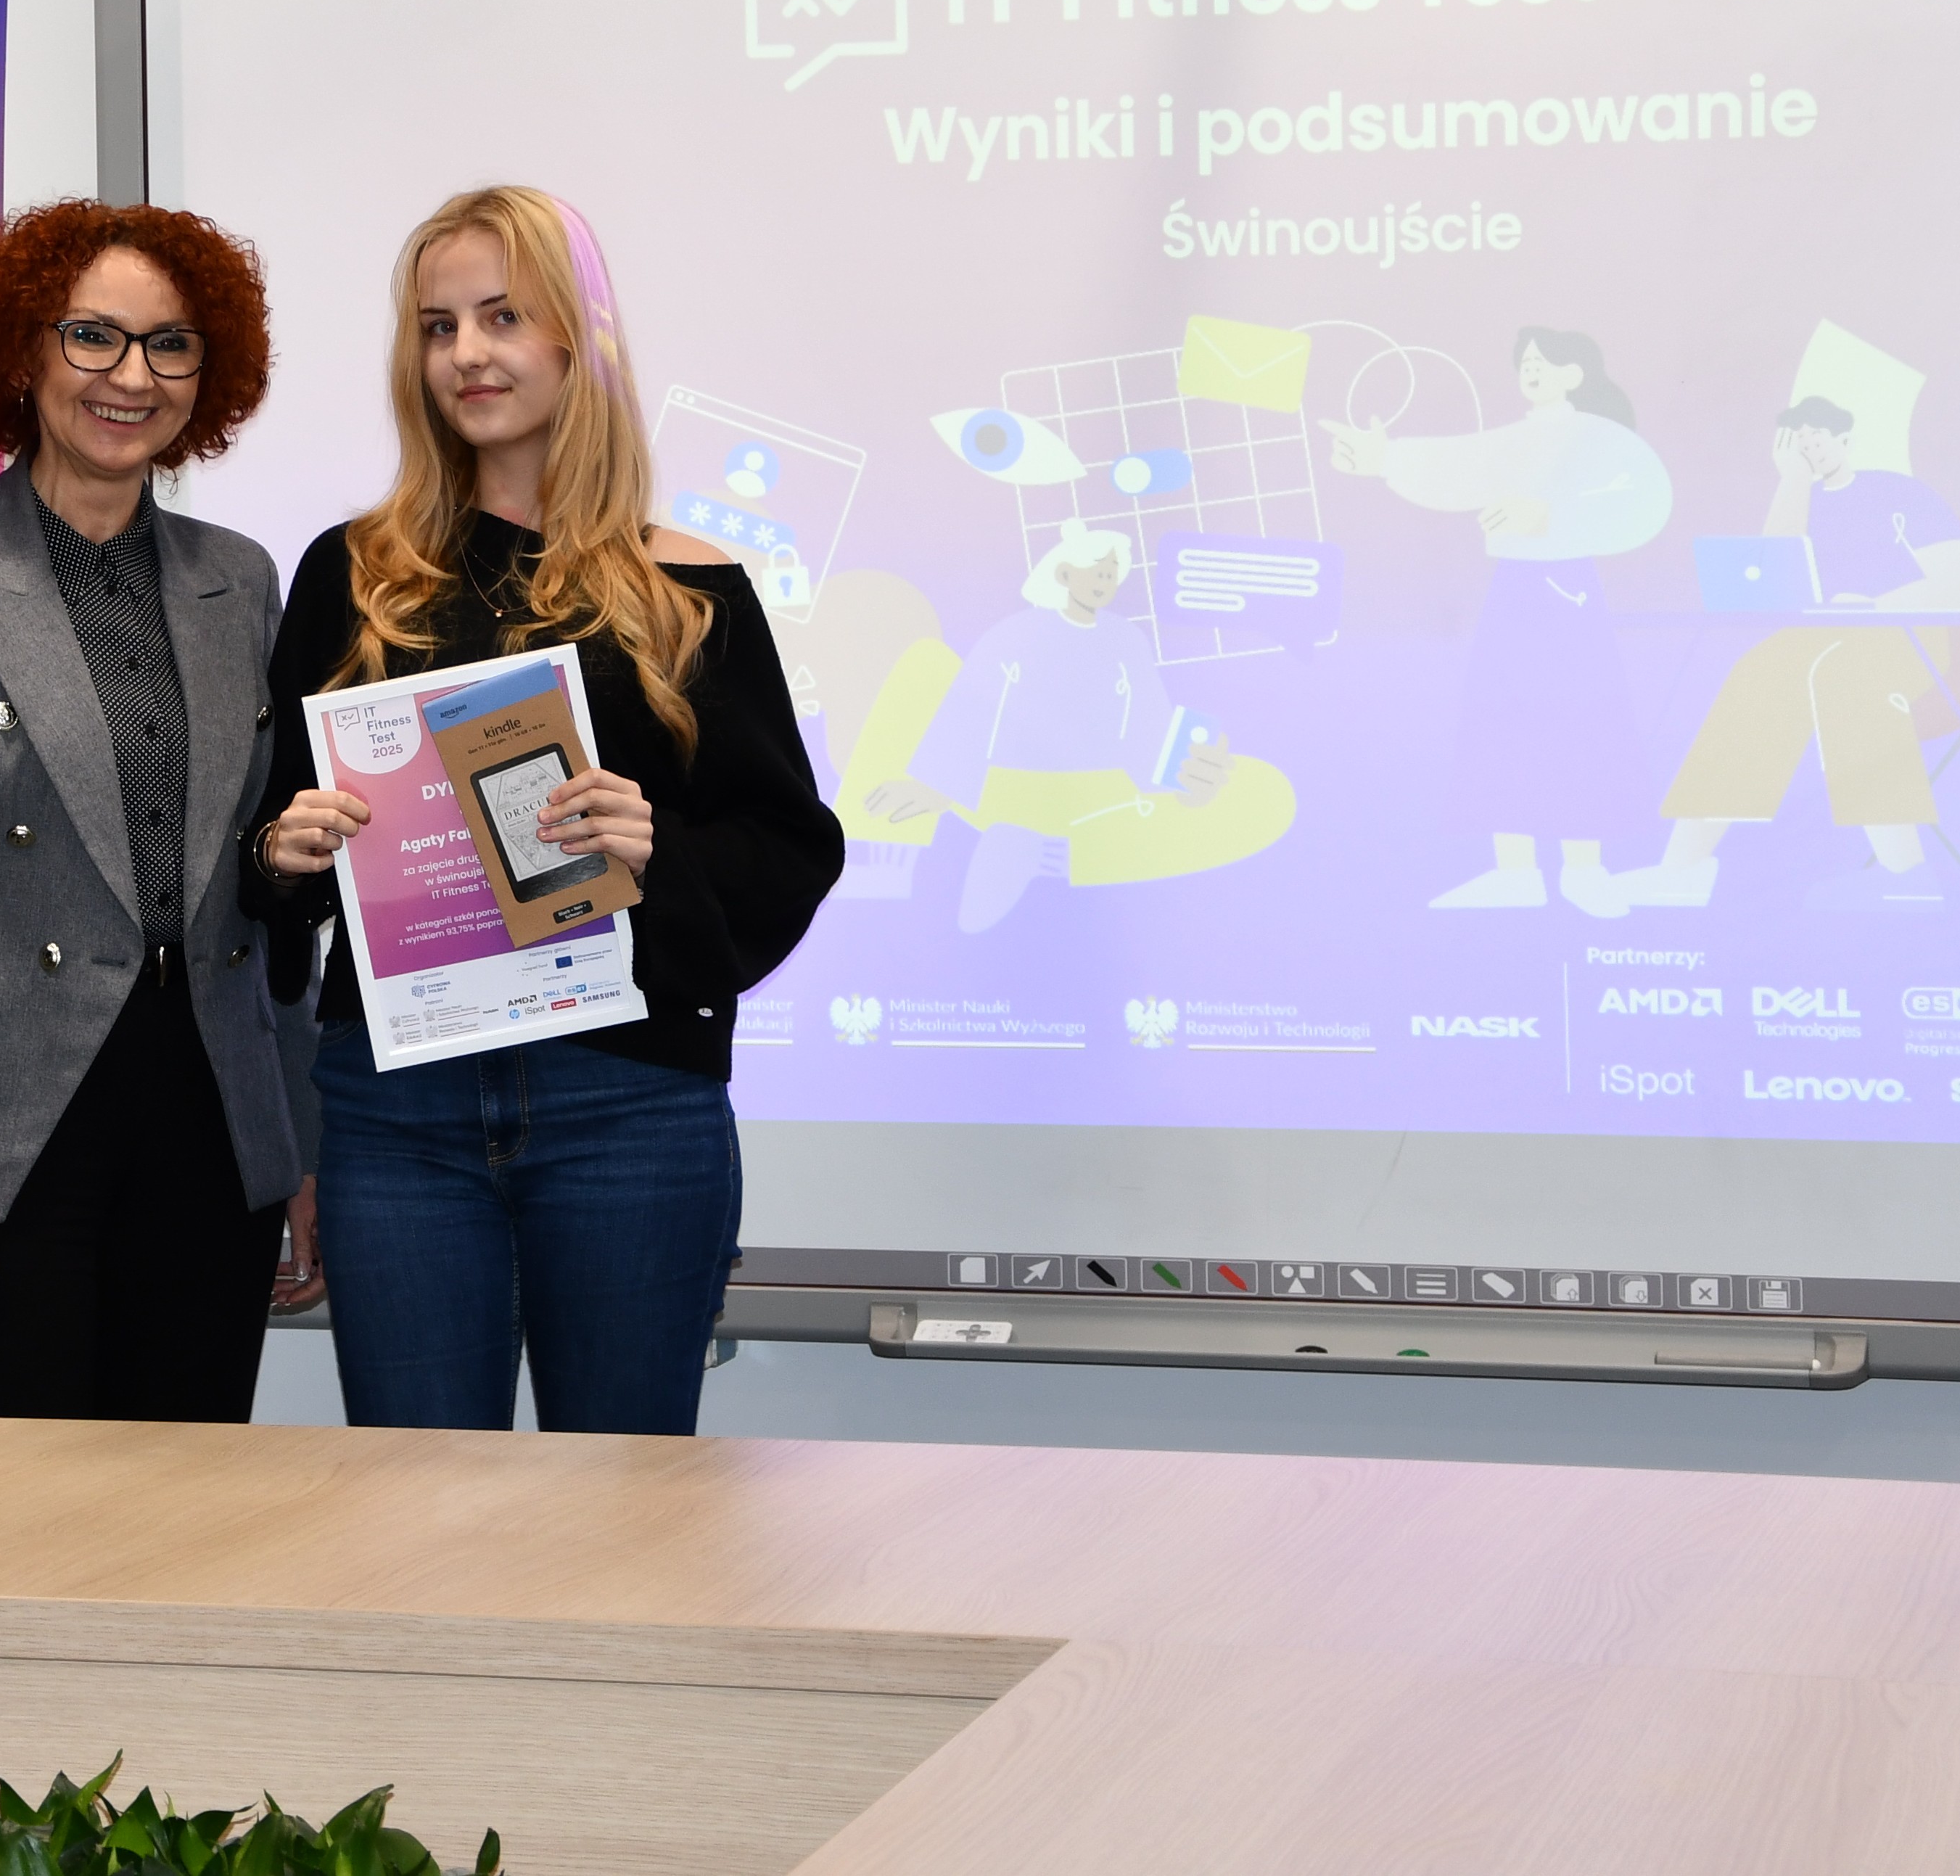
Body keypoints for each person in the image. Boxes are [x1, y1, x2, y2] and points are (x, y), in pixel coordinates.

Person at [244, 186, 841, 1436]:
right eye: (438, 325)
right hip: (395, 1109)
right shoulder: (349, 575)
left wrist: (651, 847)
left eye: (502, 316)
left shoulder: (688, 587)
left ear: (578, 336)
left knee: (624, 1513)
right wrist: (283, 854)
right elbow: (265, 854)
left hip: (627, 1101)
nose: (466, 353)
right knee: (419, 1511)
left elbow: (787, 848)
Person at [0, 201, 317, 1420]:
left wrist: (296, 1143)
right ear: (22, 351)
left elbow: (257, 877)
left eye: (170, 344)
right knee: (3, 1513)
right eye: (92, 335)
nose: (130, 377)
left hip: (210, 1123)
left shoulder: (240, 576)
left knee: (184, 1505)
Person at [1322, 327, 1670, 916]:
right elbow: (1460, 466)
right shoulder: (1517, 438)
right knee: (1503, 721)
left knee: (1577, 723)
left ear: (1573, 373)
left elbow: (1642, 503)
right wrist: (1384, 459)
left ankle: (1584, 870)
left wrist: (1550, 516)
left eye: (1543, 361)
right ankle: (1516, 872)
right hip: (1514, 589)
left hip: (1568, 592)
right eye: (1524, 361)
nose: (1530, 368)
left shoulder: (1600, 438)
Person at [844, 519, 1294, 931]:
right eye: (1096, 569)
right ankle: (920, 860)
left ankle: (1044, 853)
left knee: (1265, 792)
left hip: (1103, 801)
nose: (1105, 579)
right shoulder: (1014, 635)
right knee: (926, 665)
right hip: (1009, 789)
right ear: (1063, 573)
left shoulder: (1127, 641)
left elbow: (1149, 737)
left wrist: (1187, 779)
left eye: (1112, 572)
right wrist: (942, 782)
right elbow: (972, 715)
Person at [1613, 395, 1960, 912]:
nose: (1810, 447)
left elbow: (1951, 580)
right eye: (1800, 442)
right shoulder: (1802, 500)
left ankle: (1905, 874)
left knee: (1846, 676)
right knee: (1759, 671)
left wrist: (1873, 605)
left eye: (1818, 436)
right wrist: (1792, 480)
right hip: (1827, 636)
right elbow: (1773, 583)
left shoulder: (1896, 491)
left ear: (1845, 438)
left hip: (1912, 636)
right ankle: (1682, 870)